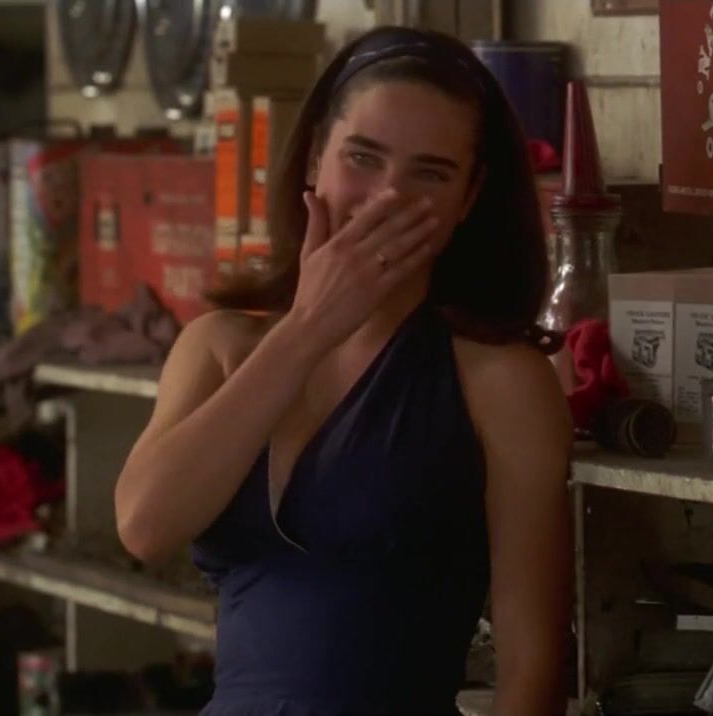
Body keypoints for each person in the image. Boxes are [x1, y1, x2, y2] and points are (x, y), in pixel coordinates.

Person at [114, 26, 573, 716]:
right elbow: (145, 526)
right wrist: (307, 328)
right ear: (313, 160)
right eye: (363, 158)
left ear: (469, 198)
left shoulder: (499, 380)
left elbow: (533, 664)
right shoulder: (219, 345)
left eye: (430, 173)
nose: (386, 197)